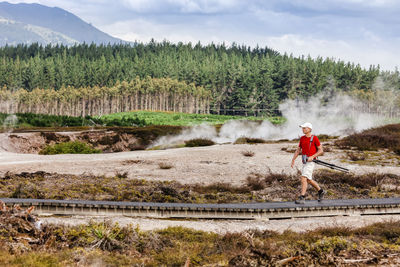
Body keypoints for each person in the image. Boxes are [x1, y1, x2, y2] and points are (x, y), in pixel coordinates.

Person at [291, 122, 325, 204]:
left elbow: (321, 150)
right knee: (308, 180)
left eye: (304, 128)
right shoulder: (302, 138)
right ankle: (320, 191)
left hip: (311, 162)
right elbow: (298, 150)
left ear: (309, 129)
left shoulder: (314, 138)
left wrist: (312, 156)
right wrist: (293, 160)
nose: (303, 129)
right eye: (302, 128)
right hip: (305, 162)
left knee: (303, 178)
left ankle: (302, 197)